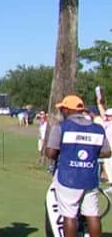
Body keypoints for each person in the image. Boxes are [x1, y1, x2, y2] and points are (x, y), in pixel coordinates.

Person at [46, 95, 111, 237]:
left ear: (68, 110)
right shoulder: (98, 128)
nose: (61, 111)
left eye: (63, 109)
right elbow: (106, 152)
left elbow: (50, 153)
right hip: (90, 177)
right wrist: (90, 152)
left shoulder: (61, 127)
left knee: (69, 215)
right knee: (92, 214)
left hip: (67, 177)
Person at [96, 94, 112, 193]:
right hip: (109, 149)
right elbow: (102, 113)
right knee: (108, 164)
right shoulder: (107, 123)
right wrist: (99, 103)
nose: (106, 117)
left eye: (109, 116)